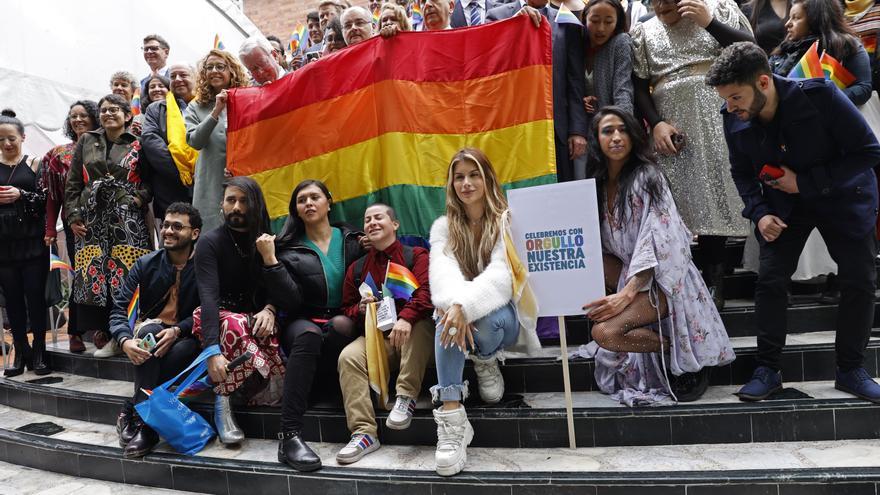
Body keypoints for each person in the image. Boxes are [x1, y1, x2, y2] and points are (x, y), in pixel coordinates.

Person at [706, 41, 880, 404]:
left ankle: (851, 369)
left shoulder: (822, 96)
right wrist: (759, 212)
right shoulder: (733, 117)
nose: (730, 106)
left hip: (844, 196)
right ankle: (767, 370)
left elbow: (868, 151)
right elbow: (741, 171)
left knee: (859, 280)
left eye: (736, 97)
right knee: (769, 280)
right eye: (726, 99)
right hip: (782, 206)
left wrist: (806, 183)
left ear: (764, 83)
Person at [584, 107, 736, 405]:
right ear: (596, 140)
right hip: (630, 278)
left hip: (666, 280)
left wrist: (625, 296)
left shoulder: (648, 177)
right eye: (607, 131)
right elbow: (598, 247)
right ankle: (666, 347)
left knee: (604, 333)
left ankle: (676, 349)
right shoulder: (597, 185)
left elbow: (661, 242)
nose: (616, 137)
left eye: (622, 129)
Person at [631, 0, 754, 309]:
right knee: (676, 201)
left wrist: (709, 22)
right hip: (670, 125)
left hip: (718, 118)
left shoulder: (717, 9)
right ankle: (679, 284)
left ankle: (715, 281)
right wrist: (656, 123)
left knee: (715, 197)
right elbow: (638, 84)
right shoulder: (643, 31)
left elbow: (751, 52)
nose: (661, 6)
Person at [428, 148, 540, 476]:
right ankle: (452, 421)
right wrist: (455, 308)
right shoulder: (443, 228)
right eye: (459, 177)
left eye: (474, 174)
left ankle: (486, 358)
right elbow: (442, 276)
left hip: (502, 316)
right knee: (444, 316)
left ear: (487, 178)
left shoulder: (508, 219)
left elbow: (503, 277)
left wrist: (464, 307)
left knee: (482, 318)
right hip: (460, 318)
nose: (466, 183)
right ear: (451, 184)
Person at [258, 180, 365, 471]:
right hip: (303, 319)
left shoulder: (354, 239)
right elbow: (290, 301)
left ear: (329, 202)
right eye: (301, 200)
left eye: (314, 197)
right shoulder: (287, 247)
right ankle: (289, 436)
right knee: (308, 334)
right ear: (296, 210)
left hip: (345, 317)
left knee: (342, 325)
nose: (308, 203)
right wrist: (271, 261)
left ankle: (326, 387)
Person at [335, 203, 433, 465]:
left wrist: (406, 318)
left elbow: (427, 294)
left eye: (379, 217)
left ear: (395, 224)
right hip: (380, 339)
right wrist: (360, 308)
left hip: (417, 339)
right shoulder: (357, 269)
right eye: (367, 220)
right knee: (349, 357)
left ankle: (405, 398)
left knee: (420, 325)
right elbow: (346, 308)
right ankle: (364, 433)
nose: (372, 223)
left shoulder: (416, 255)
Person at [192, 177, 285, 445]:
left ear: (255, 204)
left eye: (243, 201)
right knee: (235, 324)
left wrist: (270, 308)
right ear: (222, 204)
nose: (236, 207)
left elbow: (278, 286)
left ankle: (254, 391)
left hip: (254, 316)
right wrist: (212, 351)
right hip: (215, 318)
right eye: (231, 200)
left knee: (261, 325)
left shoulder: (268, 238)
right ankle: (223, 404)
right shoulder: (210, 242)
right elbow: (208, 297)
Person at [109, 202, 202, 458]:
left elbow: (210, 309)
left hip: (188, 337)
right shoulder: (145, 264)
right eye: (166, 226)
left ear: (194, 233)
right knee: (147, 337)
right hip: (150, 337)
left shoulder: (205, 266)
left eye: (177, 227)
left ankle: (135, 414)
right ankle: (146, 425)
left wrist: (178, 331)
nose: (168, 231)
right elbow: (119, 309)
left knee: (177, 348)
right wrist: (125, 340)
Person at [64, 94, 153, 359]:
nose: (107, 114)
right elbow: (72, 183)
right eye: (103, 110)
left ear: (128, 115)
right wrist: (73, 215)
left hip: (127, 218)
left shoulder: (139, 144)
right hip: (92, 217)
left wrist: (139, 198)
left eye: (114, 109)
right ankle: (107, 333)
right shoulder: (87, 141)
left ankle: (125, 336)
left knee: (127, 274)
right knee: (97, 276)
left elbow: (150, 180)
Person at [486, 0, 588, 182]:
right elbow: (489, 65)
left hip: (556, 132)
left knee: (559, 197)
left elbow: (574, 80)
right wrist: (514, 26)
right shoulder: (498, 16)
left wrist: (577, 130)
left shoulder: (565, 20)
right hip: (513, 131)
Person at [40, 100, 99, 353]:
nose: (77, 120)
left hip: (106, 224)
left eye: (83, 115)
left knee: (105, 275)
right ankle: (75, 331)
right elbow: (53, 196)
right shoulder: (58, 154)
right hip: (75, 225)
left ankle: (103, 330)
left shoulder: (105, 147)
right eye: (73, 116)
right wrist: (51, 229)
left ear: (94, 118)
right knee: (81, 277)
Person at [0, 110, 49, 377]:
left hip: (32, 243)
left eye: (11, 138)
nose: (7, 144)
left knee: (35, 297)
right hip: (3, 246)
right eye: (1, 140)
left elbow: (47, 200)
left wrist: (21, 194)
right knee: (13, 301)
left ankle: (40, 350)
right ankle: (21, 350)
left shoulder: (35, 164)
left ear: (22, 137)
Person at [185, 49, 249, 232]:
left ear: (232, 71)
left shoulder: (247, 99)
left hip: (243, 179)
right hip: (211, 183)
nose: (214, 70)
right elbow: (194, 141)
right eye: (209, 67)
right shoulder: (196, 106)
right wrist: (216, 111)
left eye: (220, 66)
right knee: (212, 234)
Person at [767, 0, 871, 105]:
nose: (787, 24)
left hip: (832, 117)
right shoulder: (783, 50)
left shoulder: (846, 46)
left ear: (815, 20)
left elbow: (863, 88)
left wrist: (825, 99)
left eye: (796, 18)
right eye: (789, 17)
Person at [574, 0, 634, 179]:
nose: (601, 28)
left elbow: (623, 89)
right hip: (584, 134)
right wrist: (581, 100)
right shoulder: (577, 45)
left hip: (610, 134)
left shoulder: (620, 43)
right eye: (595, 20)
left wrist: (623, 130)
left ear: (617, 22)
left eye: (608, 22)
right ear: (585, 19)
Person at [141, 63, 197, 223]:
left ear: (195, 78)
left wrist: (200, 172)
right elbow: (152, 142)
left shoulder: (208, 104)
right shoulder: (156, 109)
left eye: (183, 75)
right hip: (170, 186)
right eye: (173, 76)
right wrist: (181, 172)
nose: (178, 79)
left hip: (206, 182)